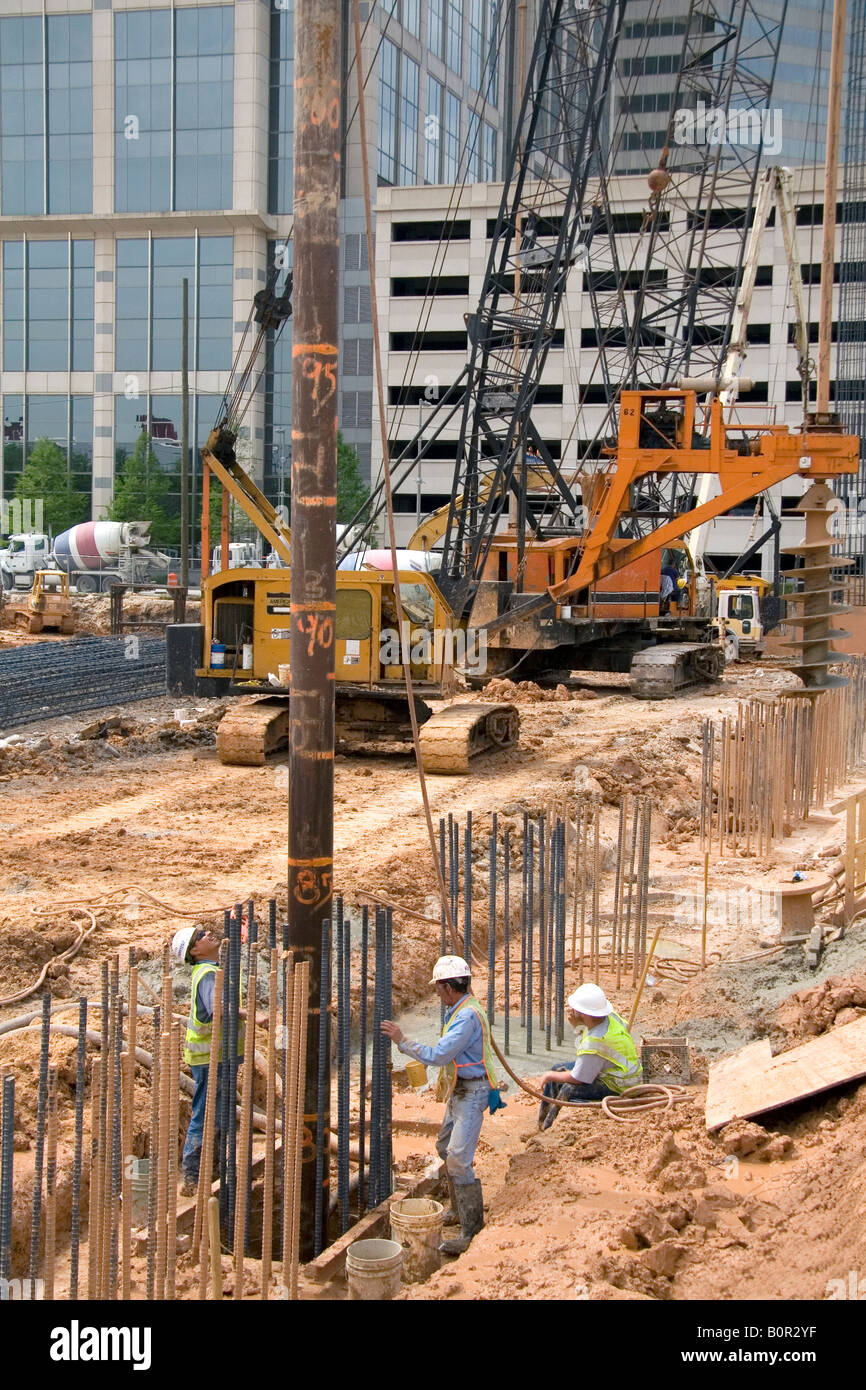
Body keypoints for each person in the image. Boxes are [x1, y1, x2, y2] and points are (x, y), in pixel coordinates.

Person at [382, 955, 503, 1255]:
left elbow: (439, 1055)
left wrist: (402, 1040)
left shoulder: (464, 1017)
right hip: (461, 1088)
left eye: (438, 988)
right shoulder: (462, 1006)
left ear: (449, 988)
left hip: (473, 1091)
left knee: (459, 1159)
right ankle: (457, 1210)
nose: (436, 994)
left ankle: (471, 1230)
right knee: (444, 1147)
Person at [171, 924, 259, 1196]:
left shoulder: (213, 970)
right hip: (210, 1057)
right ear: (195, 950)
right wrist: (252, 1015)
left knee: (220, 1113)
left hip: (221, 1055)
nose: (208, 933)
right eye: (201, 936)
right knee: (205, 1113)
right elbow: (217, 1009)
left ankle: (217, 1169)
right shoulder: (207, 974)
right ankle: (193, 1175)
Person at [535, 983, 642, 1131]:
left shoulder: (595, 1042)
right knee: (557, 1070)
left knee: (567, 1088)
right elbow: (591, 1050)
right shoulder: (610, 1017)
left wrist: (549, 1076)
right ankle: (540, 1124)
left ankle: (548, 1127)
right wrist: (578, 1026)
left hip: (619, 1083)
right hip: (613, 1069)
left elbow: (579, 1077)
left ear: (583, 1014)